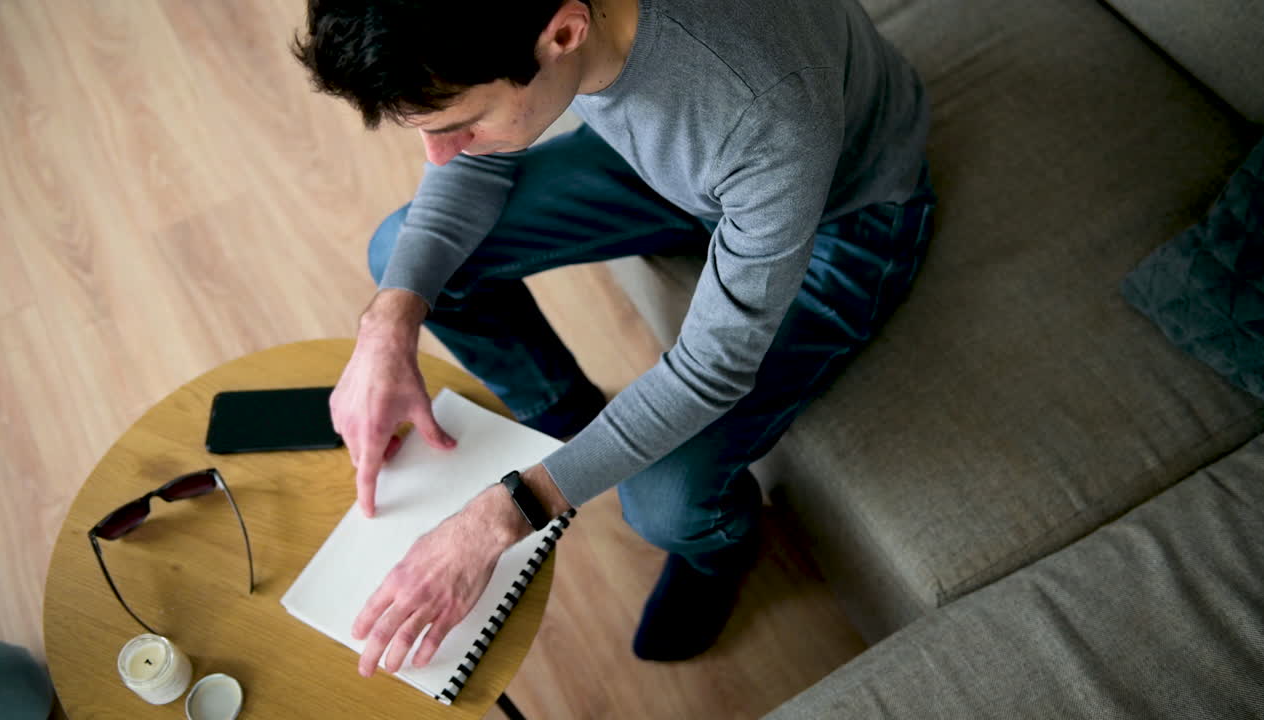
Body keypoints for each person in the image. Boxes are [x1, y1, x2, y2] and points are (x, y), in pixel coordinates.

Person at [293, 0, 935, 676]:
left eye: (461, 124)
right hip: (690, 171)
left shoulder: (763, 110)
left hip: (845, 217)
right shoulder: (552, 30)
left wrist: (510, 509)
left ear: (564, 33)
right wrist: (386, 324)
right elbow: (474, 164)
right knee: (404, 256)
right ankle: (569, 421)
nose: (438, 156)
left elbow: (709, 372)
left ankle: (718, 548)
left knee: (664, 496)